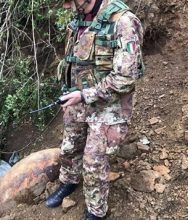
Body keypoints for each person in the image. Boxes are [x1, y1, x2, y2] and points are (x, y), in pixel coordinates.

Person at [46, 0, 144, 219]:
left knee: (93, 161)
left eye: (68, 1)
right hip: (79, 98)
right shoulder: (78, 18)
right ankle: (69, 182)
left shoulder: (124, 23)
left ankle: (96, 210)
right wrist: (69, 93)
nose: (65, 7)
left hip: (110, 105)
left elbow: (125, 79)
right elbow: (73, 63)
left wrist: (84, 95)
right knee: (69, 147)